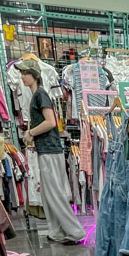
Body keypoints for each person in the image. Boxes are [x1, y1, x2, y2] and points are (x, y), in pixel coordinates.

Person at [17, 57, 84, 245]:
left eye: (25, 73)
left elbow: (51, 122)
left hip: (50, 150)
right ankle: (57, 231)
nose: (22, 77)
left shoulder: (40, 95)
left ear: (33, 74)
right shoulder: (38, 95)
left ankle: (75, 232)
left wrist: (31, 133)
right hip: (46, 149)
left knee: (54, 193)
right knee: (49, 193)